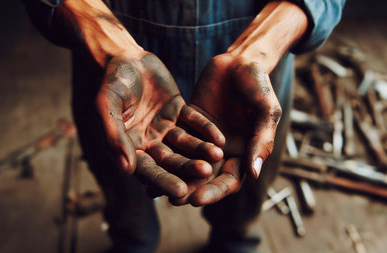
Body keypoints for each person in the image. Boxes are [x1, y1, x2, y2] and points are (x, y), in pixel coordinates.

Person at [22, 0, 345, 252]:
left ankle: (235, 244)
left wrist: (257, 50)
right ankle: (133, 243)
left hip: (250, 79)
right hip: (117, 77)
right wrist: (112, 46)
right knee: (123, 194)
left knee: (244, 200)